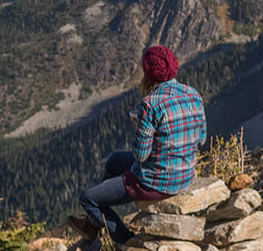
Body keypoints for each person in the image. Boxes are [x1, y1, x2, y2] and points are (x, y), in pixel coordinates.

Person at [68, 45, 207, 249]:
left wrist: (140, 127)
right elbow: (201, 139)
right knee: (115, 160)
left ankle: (124, 239)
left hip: (156, 181)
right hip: (185, 173)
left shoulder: (150, 103)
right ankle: (92, 224)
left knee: (88, 198)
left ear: (148, 74)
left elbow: (141, 155)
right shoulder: (193, 93)